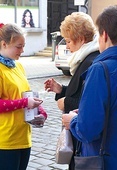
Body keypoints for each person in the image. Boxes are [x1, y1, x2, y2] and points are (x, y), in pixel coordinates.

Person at [62, 5, 117, 170]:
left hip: (107, 161)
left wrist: (73, 121)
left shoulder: (100, 70)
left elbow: (88, 130)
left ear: (104, 35)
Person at [44, 12, 99, 169]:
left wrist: (66, 102)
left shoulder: (90, 61)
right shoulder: (86, 57)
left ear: (81, 39)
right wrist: (61, 89)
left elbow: (89, 102)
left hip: (83, 137)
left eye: (68, 41)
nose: (67, 46)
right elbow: (81, 91)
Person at [0, 23, 47, 170]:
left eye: (23, 46)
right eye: (18, 46)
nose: (22, 50)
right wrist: (25, 102)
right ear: (4, 44)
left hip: (23, 137)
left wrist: (41, 112)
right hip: (6, 140)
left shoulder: (18, 66)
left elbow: (27, 94)